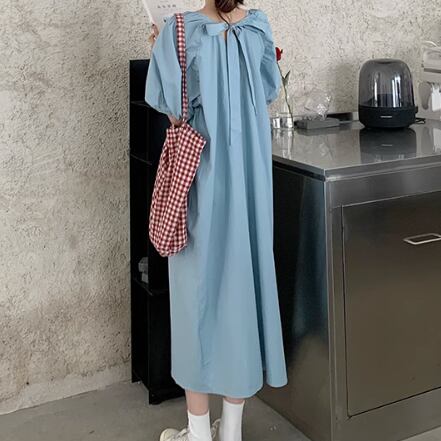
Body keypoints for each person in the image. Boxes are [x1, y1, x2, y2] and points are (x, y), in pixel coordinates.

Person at [145, 1, 287, 440]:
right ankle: (232, 431)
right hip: (250, 183)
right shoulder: (258, 27)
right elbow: (267, 91)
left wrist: (158, 49)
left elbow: (173, 112)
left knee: (196, 300)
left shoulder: (179, 31)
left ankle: (198, 432)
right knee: (242, 293)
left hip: (201, 184)